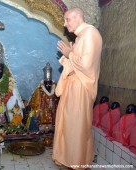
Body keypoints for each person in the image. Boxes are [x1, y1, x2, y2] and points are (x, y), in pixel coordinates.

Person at [53, 7, 102, 168]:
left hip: (81, 88)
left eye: (67, 20)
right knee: (66, 123)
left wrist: (69, 53)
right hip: (72, 86)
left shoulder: (91, 33)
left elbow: (86, 65)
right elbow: (77, 61)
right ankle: (65, 158)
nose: (65, 25)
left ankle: (77, 162)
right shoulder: (81, 37)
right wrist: (71, 53)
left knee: (76, 126)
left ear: (78, 17)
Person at [28, 62, 57, 133]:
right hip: (41, 116)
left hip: (52, 116)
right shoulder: (39, 90)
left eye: (49, 72)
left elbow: (58, 102)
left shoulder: (55, 89)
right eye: (47, 72)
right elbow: (34, 103)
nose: (48, 84)